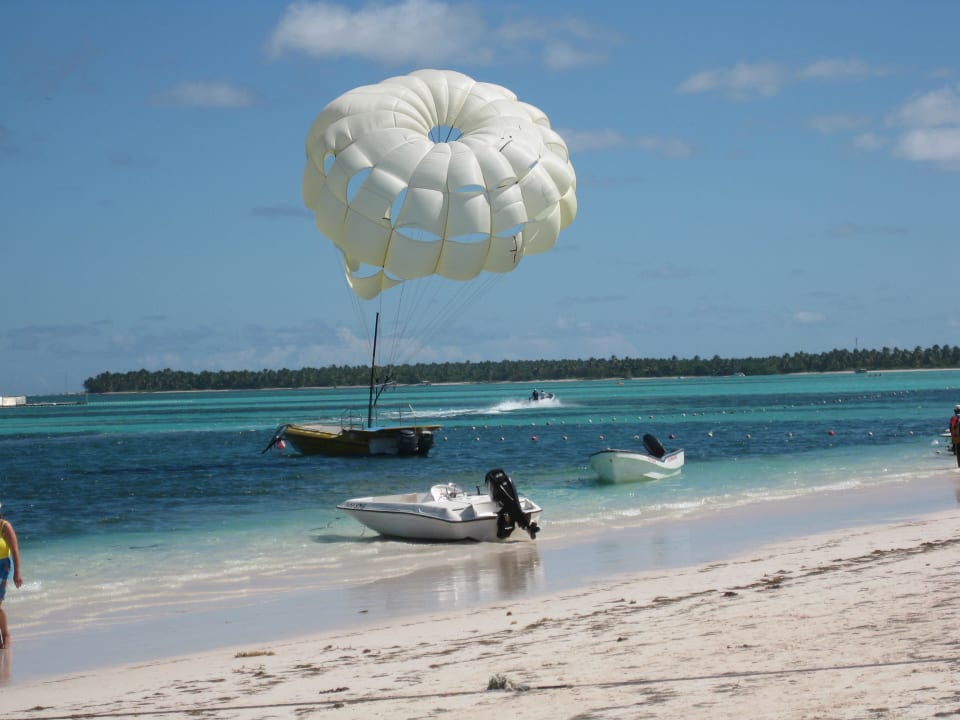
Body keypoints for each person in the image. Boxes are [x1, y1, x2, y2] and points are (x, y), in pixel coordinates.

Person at [0, 502, 23, 650]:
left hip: (2, 567)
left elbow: (15, 550)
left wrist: (17, 573)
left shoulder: (5, 526)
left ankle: (6, 634)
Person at [950, 404, 960, 468]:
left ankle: (959, 467)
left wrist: (953, 437)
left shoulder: (954, 418)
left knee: (958, 452)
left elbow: (951, 428)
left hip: (957, 437)